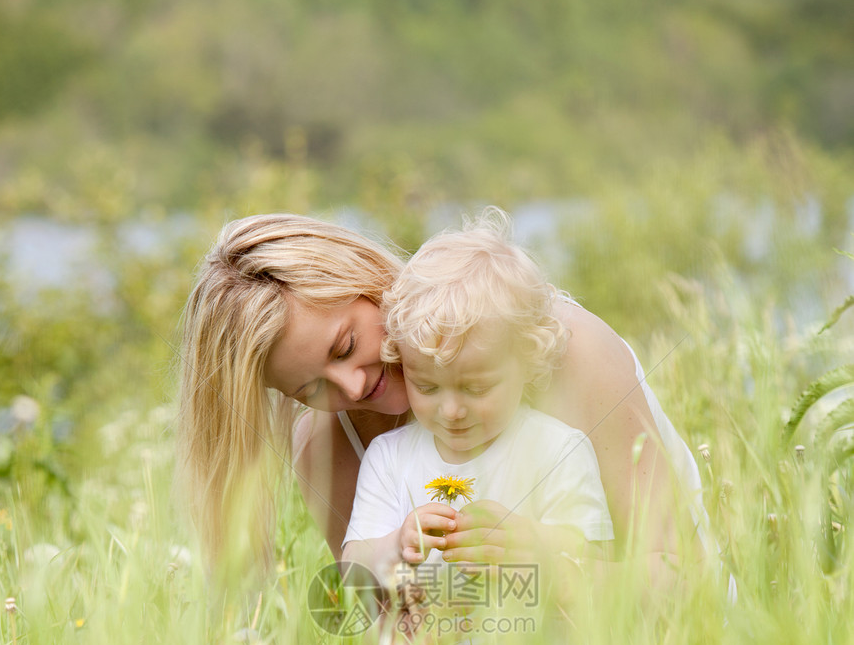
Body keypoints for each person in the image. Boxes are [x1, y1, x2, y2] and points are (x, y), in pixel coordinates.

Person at [176, 209, 713, 586]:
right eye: (309, 388)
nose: (354, 388)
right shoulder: (324, 446)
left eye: (346, 345)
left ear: (363, 279)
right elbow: (383, 625)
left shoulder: (564, 352)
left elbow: (685, 581)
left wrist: (548, 568)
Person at [341, 217, 613, 596]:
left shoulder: (557, 450)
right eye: (427, 386)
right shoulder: (389, 457)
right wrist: (395, 545)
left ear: (528, 361)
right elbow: (352, 568)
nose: (451, 410)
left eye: (476, 387)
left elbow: (593, 557)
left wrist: (533, 543)